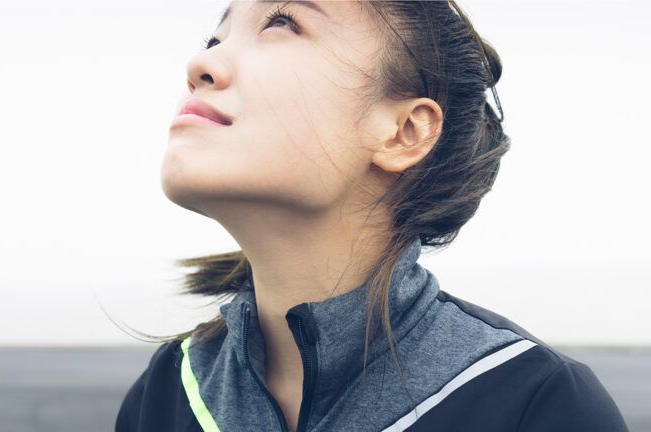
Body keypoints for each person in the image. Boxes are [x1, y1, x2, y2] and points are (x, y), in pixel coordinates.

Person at [115, 1, 629, 431]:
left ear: (405, 131)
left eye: (282, 22)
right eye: (213, 39)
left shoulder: (530, 400)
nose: (201, 65)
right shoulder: (167, 390)